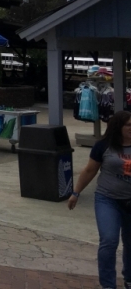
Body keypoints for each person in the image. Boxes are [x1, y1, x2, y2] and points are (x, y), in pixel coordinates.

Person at [69, 110, 131, 289]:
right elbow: (90, 170)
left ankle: (129, 278)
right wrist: (76, 193)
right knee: (109, 240)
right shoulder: (103, 146)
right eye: (128, 125)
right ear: (118, 127)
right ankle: (108, 285)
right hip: (107, 199)